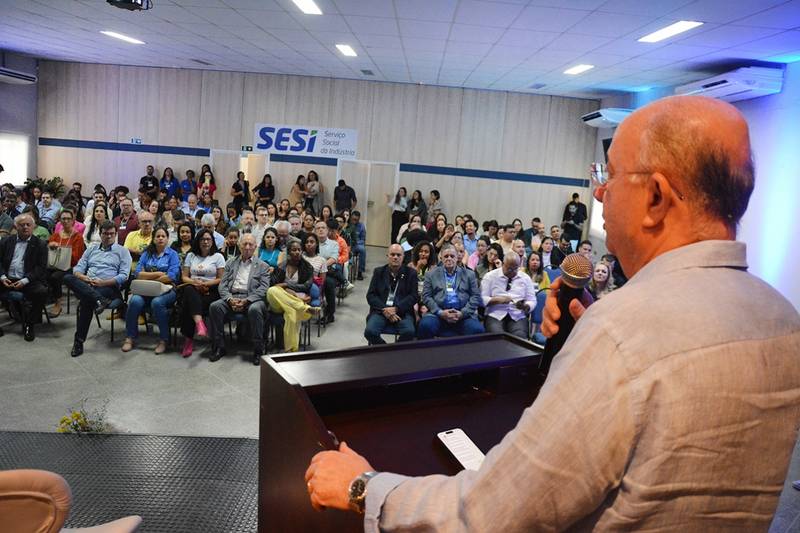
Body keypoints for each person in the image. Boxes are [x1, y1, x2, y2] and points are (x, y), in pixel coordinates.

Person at [305, 95, 800, 532]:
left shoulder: (621, 332)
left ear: (655, 197)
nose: (599, 192)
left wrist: (364, 487)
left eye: (610, 174)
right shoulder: (782, 319)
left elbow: (490, 514)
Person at [63, 221, 132, 357]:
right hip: (88, 284)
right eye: (105, 233)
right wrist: (83, 277)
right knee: (67, 277)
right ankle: (100, 300)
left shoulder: (123, 251)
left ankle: (78, 342)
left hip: (109, 287)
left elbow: (124, 276)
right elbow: (78, 268)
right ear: (100, 234)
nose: (109, 236)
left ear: (115, 234)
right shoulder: (91, 249)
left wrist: (103, 282)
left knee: (86, 302)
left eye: (112, 234)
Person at [208, 233, 271, 364]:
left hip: (252, 299)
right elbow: (222, 285)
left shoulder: (263, 266)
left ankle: (258, 349)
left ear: (255, 247)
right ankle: (219, 346)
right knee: (215, 306)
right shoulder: (230, 263)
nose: (247, 247)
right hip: (232, 297)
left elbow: (264, 288)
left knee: (254, 309)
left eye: (250, 244)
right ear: (239, 245)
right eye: (244, 244)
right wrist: (229, 299)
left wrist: (247, 300)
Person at [122, 225, 180, 354]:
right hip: (146, 289)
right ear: (153, 239)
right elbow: (138, 273)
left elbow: (171, 276)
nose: (160, 238)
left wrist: (148, 275)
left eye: (163, 236)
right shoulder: (147, 254)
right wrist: (158, 274)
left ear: (167, 239)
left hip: (167, 290)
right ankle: (130, 337)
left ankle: (164, 339)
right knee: (134, 301)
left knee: (157, 303)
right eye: (157, 236)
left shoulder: (173, 254)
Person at [416, 244, 484, 339]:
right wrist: (440, 312)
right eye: (446, 256)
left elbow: (475, 297)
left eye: (452, 256)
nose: (449, 258)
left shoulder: (469, 274)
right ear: (441, 258)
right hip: (438, 314)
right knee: (425, 326)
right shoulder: (431, 274)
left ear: (457, 258)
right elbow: (426, 296)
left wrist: (462, 313)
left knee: (477, 329)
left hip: (463, 315)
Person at [0, 213, 49, 340]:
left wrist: (25, 280)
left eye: (28, 225)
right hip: (6, 278)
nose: (25, 227)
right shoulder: (6, 241)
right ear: (16, 227)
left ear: (33, 226)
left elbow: (40, 268)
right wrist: (3, 277)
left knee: (42, 291)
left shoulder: (40, 244)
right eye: (22, 225)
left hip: (28, 280)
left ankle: (29, 324)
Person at [267, 240, 320, 353]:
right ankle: (303, 308)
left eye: (299, 250)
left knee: (291, 313)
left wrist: (286, 285)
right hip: (279, 302)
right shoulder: (281, 266)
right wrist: (291, 292)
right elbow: (274, 285)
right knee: (271, 291)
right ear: (289, 252)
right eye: (294, 250)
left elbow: (307, 286)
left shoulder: (308, 267)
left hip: (291, 302)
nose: (297, 252)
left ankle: (291, 350)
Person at [179, 229, 225, 358]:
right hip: (193, 288)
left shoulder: (218, 256)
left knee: (188, 303)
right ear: (198, 241)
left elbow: (221, 279)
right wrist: (195, 283)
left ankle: (189, 340)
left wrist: (206, 284)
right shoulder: (191, 256)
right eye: (202, 239)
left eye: (208, 239)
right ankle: (199, 324)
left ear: (212, 241)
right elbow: (184, 277)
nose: (205, 242)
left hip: (211, 290)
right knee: (189, 291)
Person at [364, 244, 418, 345]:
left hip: (402, 312)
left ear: (403, 257)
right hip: (381, 311)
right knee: (370, 332)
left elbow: (414, 296)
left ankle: (394, 350)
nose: (395, 257)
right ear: (387, 256)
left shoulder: (411, 273)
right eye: (392, 254)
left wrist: (396, 309)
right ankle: (385, 349)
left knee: (409, 332)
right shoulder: (379, 272)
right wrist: (385, 309)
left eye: (398, 255)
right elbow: (371, 295)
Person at [481, 253, 536, 339]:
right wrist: (498, 300)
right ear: (503, 264)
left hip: (517, 314)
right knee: (497, 337)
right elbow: (481, 299)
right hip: (495, 313)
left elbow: (532, 300)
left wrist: (526, 306)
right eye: (509, 269)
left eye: (515, 269)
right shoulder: (490, 276)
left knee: (519, 336)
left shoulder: (525, 278)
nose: (512, 271)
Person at [46, 207, 86, 317]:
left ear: (73, 220)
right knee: (42, 274)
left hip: (70, 265)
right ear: (60, 220)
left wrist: (60, 248)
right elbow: (49, 252)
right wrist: (50, 246)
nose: (66, 221)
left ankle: (58, 303)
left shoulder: (77, 237)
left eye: (69, 219)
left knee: (55, 277)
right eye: (63, 219)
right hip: (55, 264)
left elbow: (77, 258)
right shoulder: (55, 235)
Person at [316, 219, 340, 323]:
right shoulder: (312, 242)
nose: (320, 230)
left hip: (328, 272)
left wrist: (320, 266)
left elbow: (333, 259)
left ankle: (329, 313)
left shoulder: (334, 244)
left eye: (323, 228)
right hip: (312, 272)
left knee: (328, 283)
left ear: (327, 230)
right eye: (318, 228)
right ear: (315, 231)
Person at [347, 210, 367, 280]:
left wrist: (356, 242)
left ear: (359, 219)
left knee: (362, 250)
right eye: (353, 219)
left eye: (356, 220)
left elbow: (363, 239)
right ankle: (347, 271)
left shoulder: (361, 226)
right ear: (351, 218)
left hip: (357, 244)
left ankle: (360, 272)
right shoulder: (347, 224)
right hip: (348, 243)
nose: (354, 221)